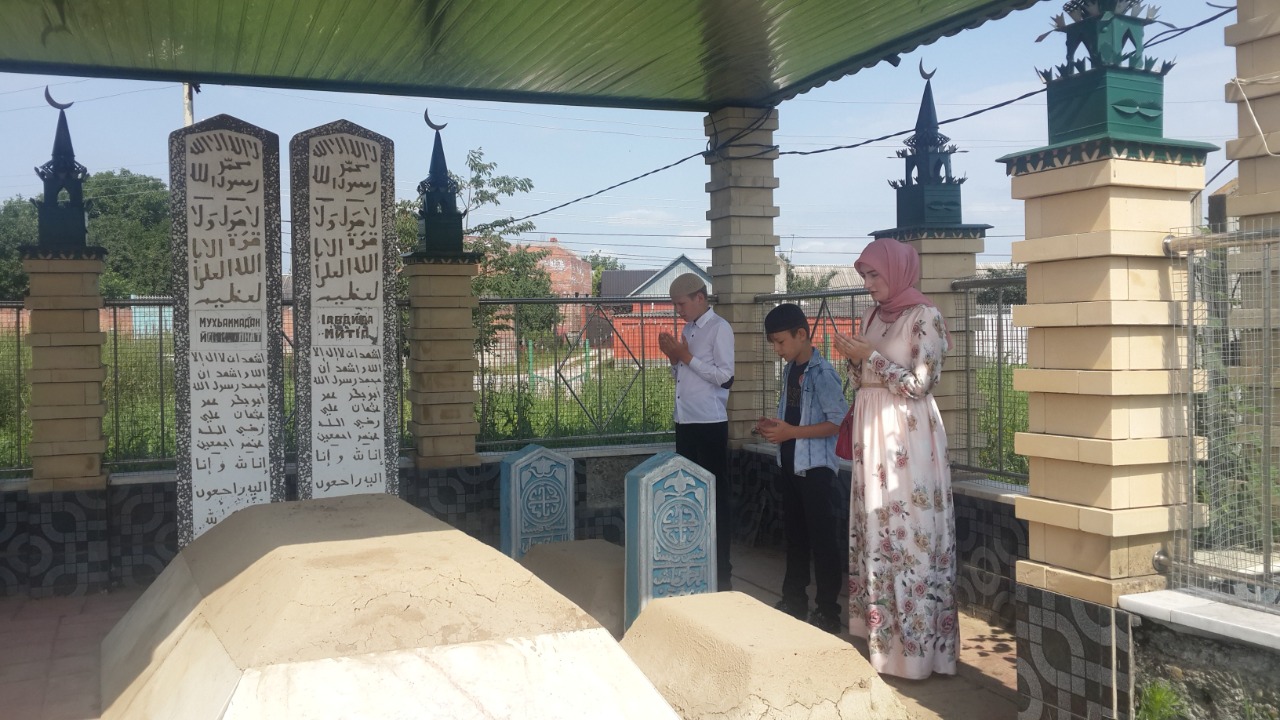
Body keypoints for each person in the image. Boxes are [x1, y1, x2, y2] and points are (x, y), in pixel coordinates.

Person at [832, 237, 957, 679]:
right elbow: (864, 376)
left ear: (898, 271)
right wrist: (854, 360)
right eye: (865, 276)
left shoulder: (925, 316)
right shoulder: (871, 315)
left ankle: (917, 652)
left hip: (907, 435)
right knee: (876, 524)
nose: (869, 284)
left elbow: (922, 383)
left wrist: (871, 358)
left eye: (875, 275)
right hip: (872, 434)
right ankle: (882, 639)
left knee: (909, 527)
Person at [756, 303, 849, 633]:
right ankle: (794, 600)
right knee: (795, 538)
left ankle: (828, 611)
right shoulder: (791, 370)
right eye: (773, 343)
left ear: (801, 334)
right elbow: (794, 416)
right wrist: (774, 428)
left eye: (781, 342)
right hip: (791, 463)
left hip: (816, 470)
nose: (777, 350)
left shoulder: (822, 374)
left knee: (822, 541)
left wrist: (791, 433)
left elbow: (837, 422)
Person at [658, 273, 735, 590]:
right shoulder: (688, 330)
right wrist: (674, 359)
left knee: (714, 497)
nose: (679, 310)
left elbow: (725, 377)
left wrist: (685, 357)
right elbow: (684, 374)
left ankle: (721, 573)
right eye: (676, 305)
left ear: (700, 298)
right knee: (688, 496)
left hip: (709, 423)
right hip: (686, 421)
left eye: (682, 304)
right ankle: (693, 563)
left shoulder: (719, 328)